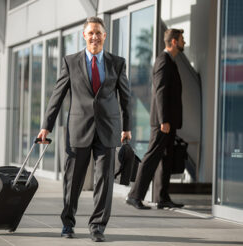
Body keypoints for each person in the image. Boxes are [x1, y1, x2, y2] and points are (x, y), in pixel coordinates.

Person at [37, 17, 131, 242]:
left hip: (108, 130)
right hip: (78, 130)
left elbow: (126, 98)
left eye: (98, 33)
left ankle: (97, 227)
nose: (95, 37)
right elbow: (57, 95)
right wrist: (45, 127)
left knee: (104, 182)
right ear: (84, 35)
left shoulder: (117, 63)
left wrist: (126, 127)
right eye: (90, 33)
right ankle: (68, 223)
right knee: (73, 180)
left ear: (105, 36)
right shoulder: (70, 62)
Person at [126, 28, 185, 210]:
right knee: (151, 157)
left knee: (166, 158)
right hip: (162, 122)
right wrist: (164, 120)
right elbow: (160, 92)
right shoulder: (163, 61)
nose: (185, 42)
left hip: (168, 121)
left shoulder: (171, 61)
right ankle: (134, 195)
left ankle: (162, 197)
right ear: (174, 42)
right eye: (182, 39)